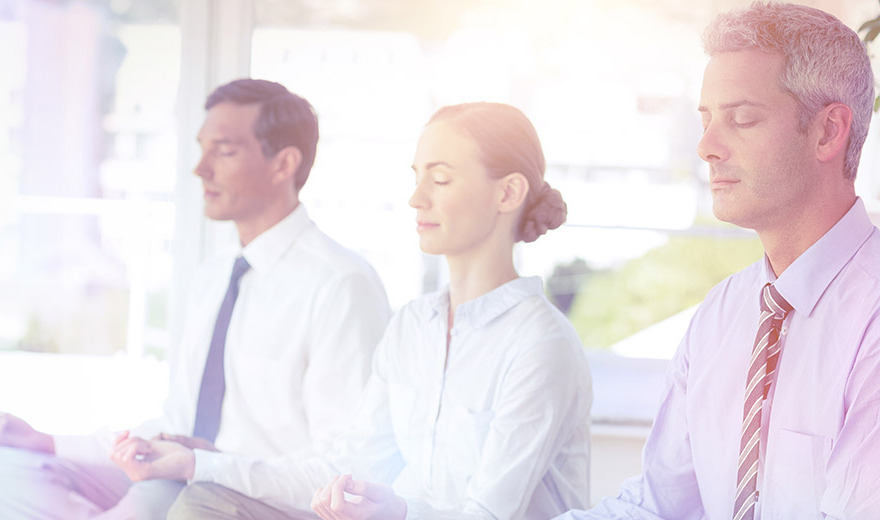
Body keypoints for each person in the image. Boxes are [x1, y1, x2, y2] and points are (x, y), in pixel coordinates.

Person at [558, 3, 880, 519]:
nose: (706, 146)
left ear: (827, 132)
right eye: (705, 120)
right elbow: (660, 506)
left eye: (742, 119)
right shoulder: (723, 311)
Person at [111, 102, 592, 520]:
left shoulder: (540, 345)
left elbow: (488, 515)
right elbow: (345, 467)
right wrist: (193, 463)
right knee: (204, 505)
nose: (416, 198)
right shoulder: (412, 327)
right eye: (416, 176)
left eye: (440, 178)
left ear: (507, 193)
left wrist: (397, 512)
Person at [0, 78, 392, 519]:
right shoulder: (213, 278)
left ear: (283, 164)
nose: (200, 168)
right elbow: (176, 427)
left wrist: (208, 465)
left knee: (159, 500)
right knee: (7, 473)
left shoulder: (341, 285)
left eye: (224, 151)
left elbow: (344, 470)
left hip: (257, 499)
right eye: (201, 148)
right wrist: (47, 441)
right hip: (184, 475)